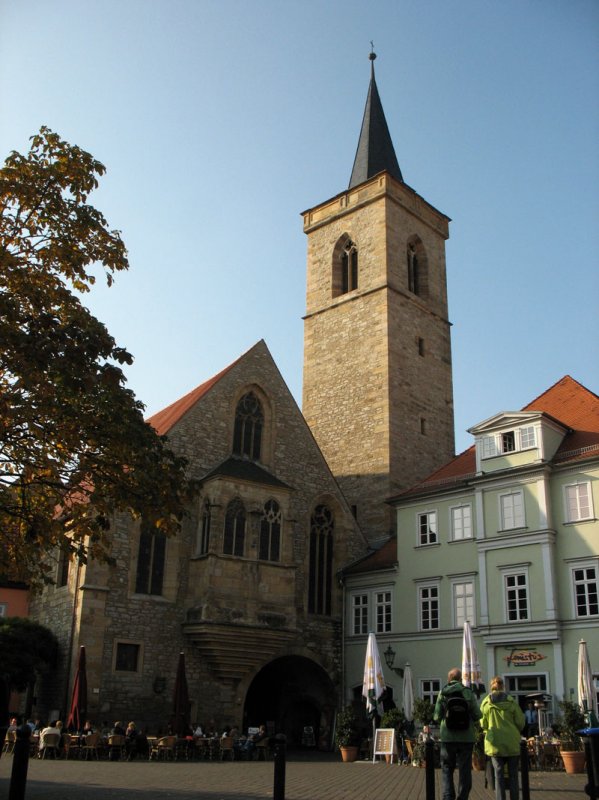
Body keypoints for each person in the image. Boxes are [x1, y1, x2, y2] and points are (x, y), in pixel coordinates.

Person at [434, 667, 481, 800]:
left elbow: (437, 716)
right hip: (466, 737)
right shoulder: (468, 693)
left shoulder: (442, 693)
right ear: (461, 679)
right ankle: (463, 797)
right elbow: (477, 715)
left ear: (449, 679)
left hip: (448, 737)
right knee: (465, 769)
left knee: (447, 768)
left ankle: (448, 796)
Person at [480, 676, 525, 800]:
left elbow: (482, 723)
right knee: (513, 775)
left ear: (491, 686)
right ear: (503, 686)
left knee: (498, 775)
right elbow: (521, 722)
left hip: (494, 742)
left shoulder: (486, 703)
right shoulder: (511, 702)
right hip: (512, 742)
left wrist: (487, 729)